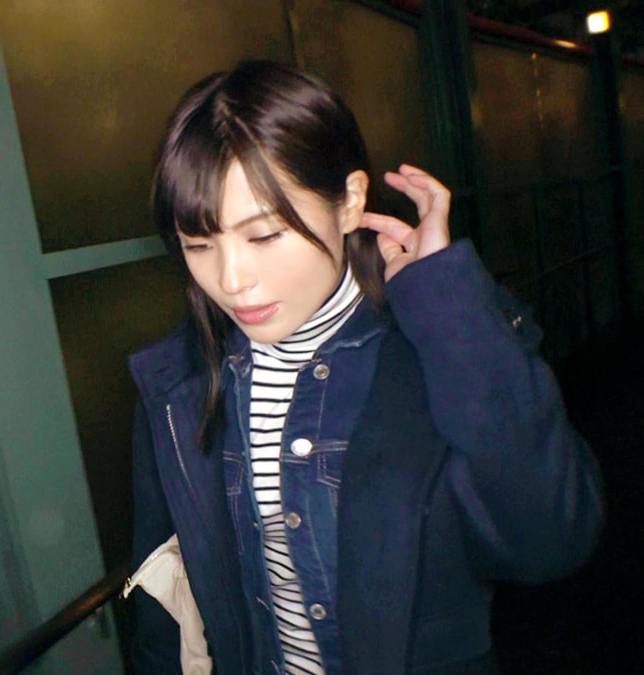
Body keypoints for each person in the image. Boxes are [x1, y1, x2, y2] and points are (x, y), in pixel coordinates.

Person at [126, 60, 604, 674]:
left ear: (350, 201)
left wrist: (448, 303)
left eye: (265, 235)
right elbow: (161, 596)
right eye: (199, 244)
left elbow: (551, 540)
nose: (231, 279)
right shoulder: (180, 383)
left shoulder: (430, 349)